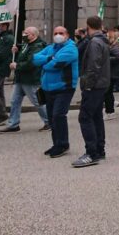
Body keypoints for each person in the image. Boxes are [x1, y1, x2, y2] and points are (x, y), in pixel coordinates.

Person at [33, 26, 78, 158]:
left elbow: (56, 65)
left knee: (58, 115)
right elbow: (35, 59)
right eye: (56, 33)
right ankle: (56, 144)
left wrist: (45, 62)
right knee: (52, 117)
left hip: (64, 88)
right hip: (48, 89)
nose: (58, 35)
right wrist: (49, 58)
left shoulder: (71, 48)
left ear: (67, 35)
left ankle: (63, 144)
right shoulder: (51, 48)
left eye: (61, 33)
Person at [72, 16, 110, 168]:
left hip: (94, 86)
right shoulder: (102, 40)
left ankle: (91, 153)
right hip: (101, 84)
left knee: (85, 117)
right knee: (96, 117)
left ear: (88, 26)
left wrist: (88, 85)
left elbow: (93, 66)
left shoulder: (94, 42)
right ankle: (99, 150)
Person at [0, 26, 49, 133]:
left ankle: (49, 121)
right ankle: (13, 124)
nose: (24, 35)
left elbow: (31, 63)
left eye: (26, 33)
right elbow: (23, 57)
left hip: (31, 79)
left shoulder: (37, 46)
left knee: (38, 101)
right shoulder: (27, 44)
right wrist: (17, 52)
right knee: (14, 101)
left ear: (33, 35)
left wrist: (17, 65)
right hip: (21, 78)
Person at [104, 27, 119, 121]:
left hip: (113, 73)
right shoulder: (113, 46)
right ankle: (111, 106)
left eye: (108, 37)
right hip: (112, 72)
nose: (107, 38)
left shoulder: (116, 47)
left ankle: (110, 112)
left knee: (107, 92)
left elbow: (118, 57)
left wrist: (106, 59)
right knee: (108, 92)